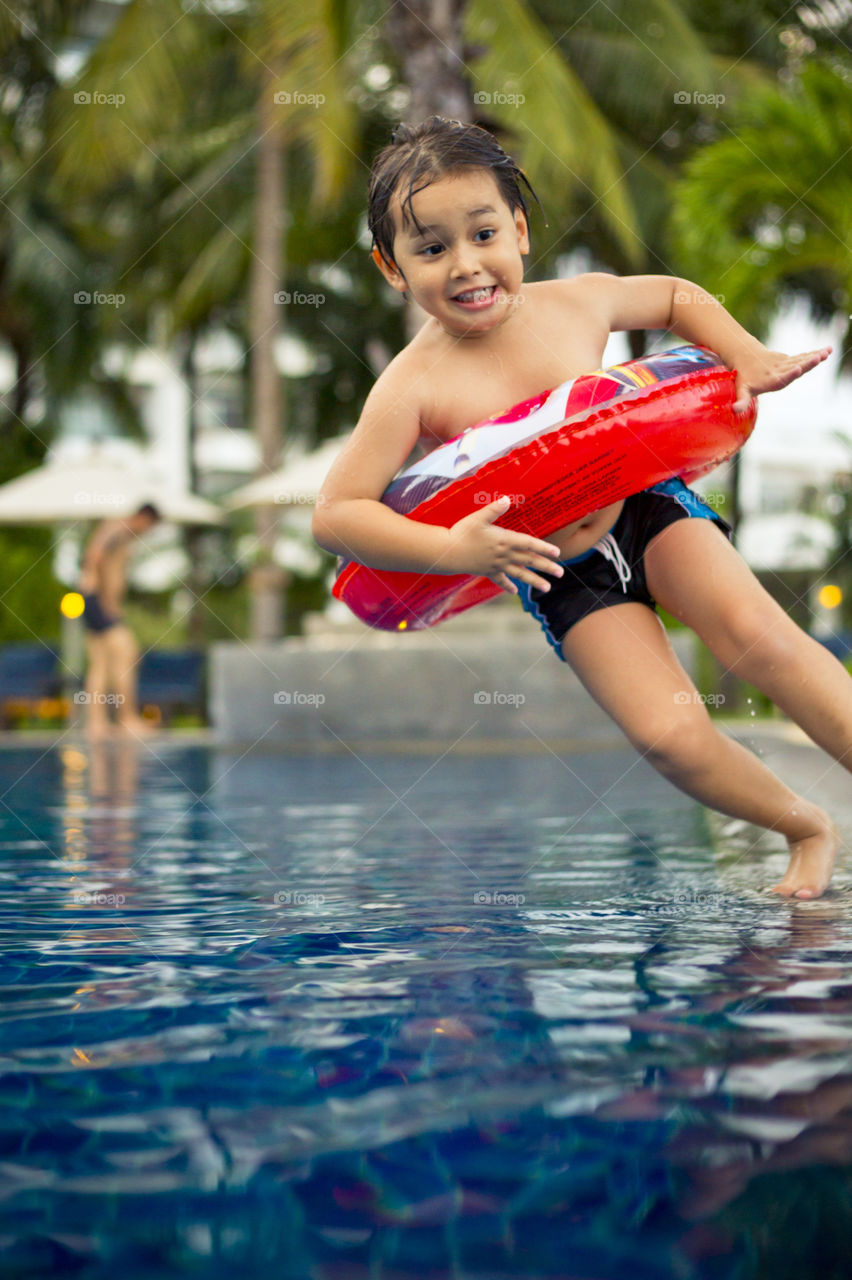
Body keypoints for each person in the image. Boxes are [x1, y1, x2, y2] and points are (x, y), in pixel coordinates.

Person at [312, 116, 850, 901]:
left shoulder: (574, 304)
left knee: (759, 641)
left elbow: (672, 295)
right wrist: (457, 553)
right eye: (431, 250)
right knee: (669, 737)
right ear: (392, 269)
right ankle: (805, 825)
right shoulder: (411, 383)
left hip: (643, 504)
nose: (466, 265)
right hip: (554, 567)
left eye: (483, 233)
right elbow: (336, 513)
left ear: (520, 231)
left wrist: (746, 353)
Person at [78, 502, 161, 738]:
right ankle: (127, 718)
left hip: (90, 598)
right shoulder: (118, 528)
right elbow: (94, 556)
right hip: (97, 600)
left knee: (100, 663)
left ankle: (96, 723)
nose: (148, 531)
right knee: (128, 652)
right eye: (150, 526)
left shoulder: (118, 530)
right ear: (144, 517)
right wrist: (106, 600)